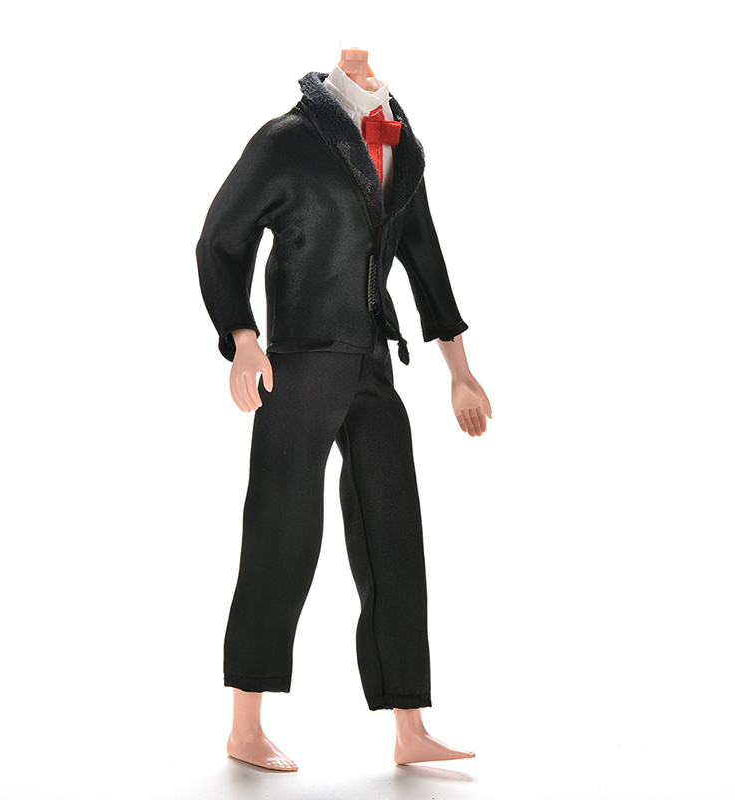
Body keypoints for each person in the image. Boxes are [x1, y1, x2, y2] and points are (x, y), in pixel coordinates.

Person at [196, 48, 492, 772]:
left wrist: (460, 371)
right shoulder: (287, 140)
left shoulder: (400, 144)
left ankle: (410, 723)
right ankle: (244, 724)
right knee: (282, 533)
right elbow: (220, 239)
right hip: (297, 362)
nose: (369, 71)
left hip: (372, 362)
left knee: (394, 531)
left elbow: (426, 261)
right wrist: (242, 338)